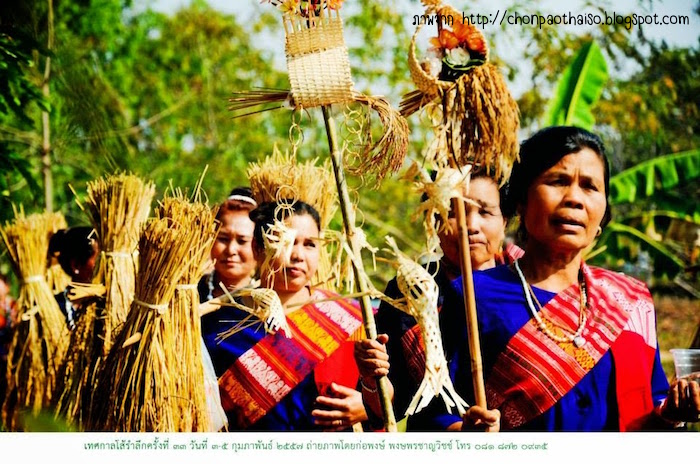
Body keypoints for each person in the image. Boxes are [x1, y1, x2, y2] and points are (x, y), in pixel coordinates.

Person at [407, 125, 700, 431]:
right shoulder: (472, 296)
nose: (574, 198)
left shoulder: (631, 301)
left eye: (590, 187)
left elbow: (653, 410)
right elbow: (430, 415)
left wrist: (674, 411)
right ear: (521, 202)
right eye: (558, 181)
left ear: (602, 214)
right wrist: (469, 433)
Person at [355, 168, 521, 428]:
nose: (471, 226)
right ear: (432, 222)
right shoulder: (409, 292)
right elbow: (390, 407)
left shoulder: (529, 289)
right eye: (453, 213)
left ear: (506, 220)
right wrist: (372, 376)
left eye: (485, 212)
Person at [202, 199, 368, 431]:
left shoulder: (348, 317)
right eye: (286, 242)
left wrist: (366, 406)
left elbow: (381, 392)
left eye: (309, 244)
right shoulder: (218, 323)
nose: (298, 255)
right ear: (259, 249)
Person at [198, 187, 258, 302]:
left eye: (242, 241)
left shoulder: (266, 303)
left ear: (259, 246)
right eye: (223, 239)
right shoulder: (189, 292)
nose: (231, 250)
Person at [47, 226, 98, 330]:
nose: (104, 264)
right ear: (76, 265)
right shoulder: (53, 309)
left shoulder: (106, 307)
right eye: (98, 258)